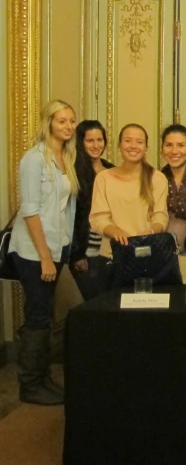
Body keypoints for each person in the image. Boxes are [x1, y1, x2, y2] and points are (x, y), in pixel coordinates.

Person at [9, 100, 79, 405]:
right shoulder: (33, 159)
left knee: (46, 314)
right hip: (34, 251)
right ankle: (30, 385)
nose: (67, 126)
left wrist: (58, 251)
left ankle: (43, 379)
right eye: (61, 121)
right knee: (37, 316)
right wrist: (45, 257)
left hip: (57, 245)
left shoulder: (65, 156)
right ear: (48, 122)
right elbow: (30, 211)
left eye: (71, 121)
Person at [90, 124, 169, 286]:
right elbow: (97, 218)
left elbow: (161, 215)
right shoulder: (104, 178)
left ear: (146, 147)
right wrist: (116, 232)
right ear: (119, 145)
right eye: (128, 141)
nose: (133, 146)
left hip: (147, 257)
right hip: (112, 258)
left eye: (139, 142)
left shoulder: (158, 178)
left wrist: (151, 231)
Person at [70, 120, 114, 302]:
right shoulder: (73, 171)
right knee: (94, 302)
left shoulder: (112, 170)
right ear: (81, 142)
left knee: (111, 300)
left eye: (100, 140)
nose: (96, 145)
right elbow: (71, 216)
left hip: (109, 248)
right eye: (90, 141)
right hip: (85, 250)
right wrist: (77, 254)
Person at [160, 124, 186, 248]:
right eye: (168, 145)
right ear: (162, 149)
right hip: (166, 245)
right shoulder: (158, 177)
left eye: (180, 145)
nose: (174, 151)